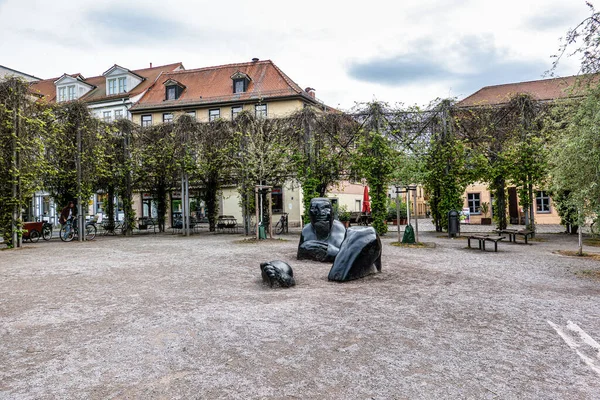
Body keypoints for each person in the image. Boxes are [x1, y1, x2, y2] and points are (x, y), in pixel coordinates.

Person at [297, 198, 346, 262]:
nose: (320, 212)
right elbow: (301, 254)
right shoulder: (306, 230)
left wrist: (328, 250)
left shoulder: (339, 229)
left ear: (332, 212)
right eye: (314, 208)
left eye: (325, 208)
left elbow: (343, 256)